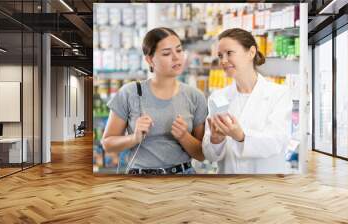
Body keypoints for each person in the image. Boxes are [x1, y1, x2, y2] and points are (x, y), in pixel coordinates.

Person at [101, 27, 207, 175]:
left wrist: (184, 136)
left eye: (179, 50)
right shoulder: (130, 92)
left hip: (183, 178)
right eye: (167, 53)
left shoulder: (195, 96)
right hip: (141, 181)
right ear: (150, 60)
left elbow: (202, 154)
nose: (176, 57)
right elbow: (107, 144)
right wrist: (134, 138)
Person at [202, 28, 292, 174]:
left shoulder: (278, 94)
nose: (223, 61)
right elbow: (210, 155)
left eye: (229, 53)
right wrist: (216, 140)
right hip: (228, 188)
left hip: (266, 187)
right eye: (220, 55)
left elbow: (277, 142)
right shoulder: (217, 97)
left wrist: (241, 136)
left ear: (251, 52)